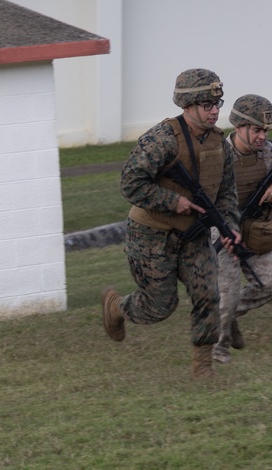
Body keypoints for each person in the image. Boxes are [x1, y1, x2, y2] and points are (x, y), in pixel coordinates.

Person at [100, 68, 238, 378]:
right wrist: (172, 201)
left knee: (208, 295)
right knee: (159, 306)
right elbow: (130, 183)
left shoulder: (220, 144)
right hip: (152, 234)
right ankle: (116, 307)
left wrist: (231, 226)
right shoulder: (162, 139)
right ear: (188, 106)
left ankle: (202, 366)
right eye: (207, 105)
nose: (215, 110)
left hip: (195, 235)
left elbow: (227, 192)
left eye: (218, 103)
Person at [212, 94, 272, 363]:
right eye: (257, 129)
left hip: (256, 227)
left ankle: (230, 315)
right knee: (228, 293)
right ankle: (218, 347)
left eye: (266, 130)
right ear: (239, 126)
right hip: (222, 230)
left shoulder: (270, 151)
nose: (262, 136)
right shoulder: (218, 156)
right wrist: (226, 232)